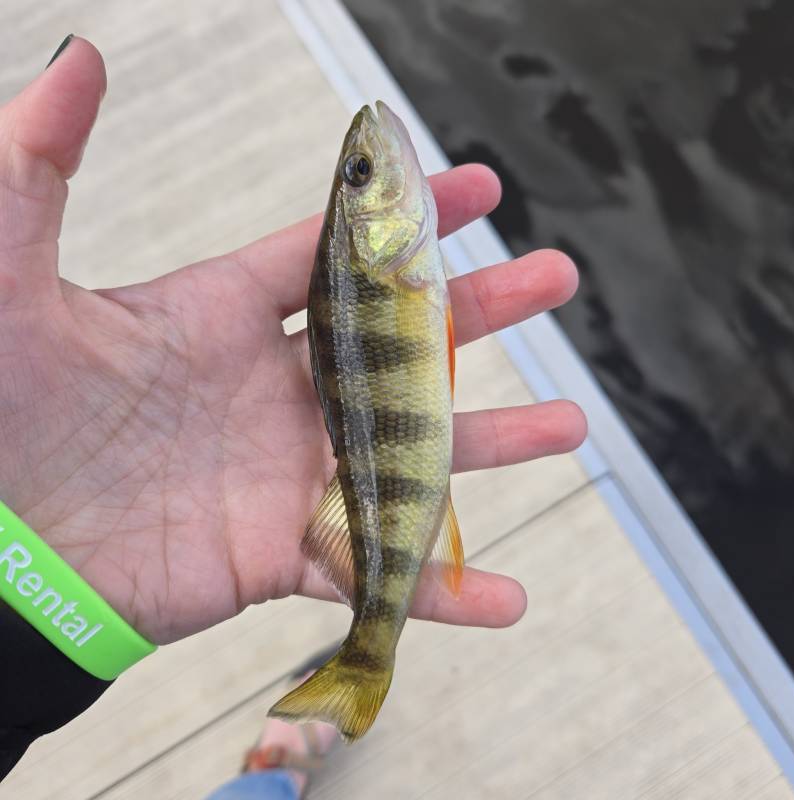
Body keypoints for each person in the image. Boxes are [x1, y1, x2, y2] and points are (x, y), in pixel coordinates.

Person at [0, 36, 587, 796]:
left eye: (359, 173)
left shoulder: (385, 264)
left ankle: (278, 770)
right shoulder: (390, 264)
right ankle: (294, 750)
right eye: (362, 175)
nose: (370, 162)